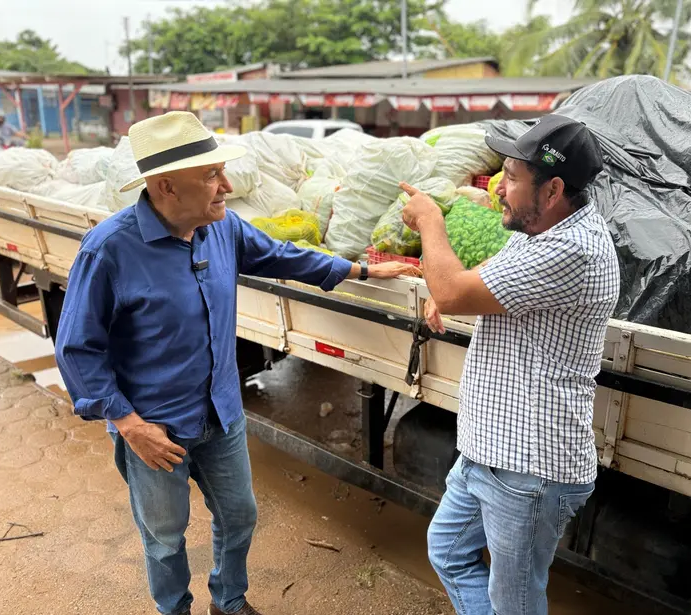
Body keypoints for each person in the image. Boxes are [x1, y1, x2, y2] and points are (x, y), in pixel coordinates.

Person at [54, 111, 419, 615]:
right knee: (164, 537)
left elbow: (281, 256)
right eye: (210, 175)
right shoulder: (109, 251)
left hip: (221, 414)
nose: (226, 185)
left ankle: (228, 600)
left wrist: (358, 269)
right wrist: (128, 424)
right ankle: (174, 609)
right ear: (166, 187)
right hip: (155, 429)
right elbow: (77, 349)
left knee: (239, 516)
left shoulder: (220, 230)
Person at [399, 115, 621, 615]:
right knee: (449, 552)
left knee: (515, 602)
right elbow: (479, 280)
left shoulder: (573, 248)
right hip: (490, 448)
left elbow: (456, 291)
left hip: (529, 467)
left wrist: (433, 227)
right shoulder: (540, 228)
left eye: (514, 176)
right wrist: (451, 290)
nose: (499, 186)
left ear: (553, 189)